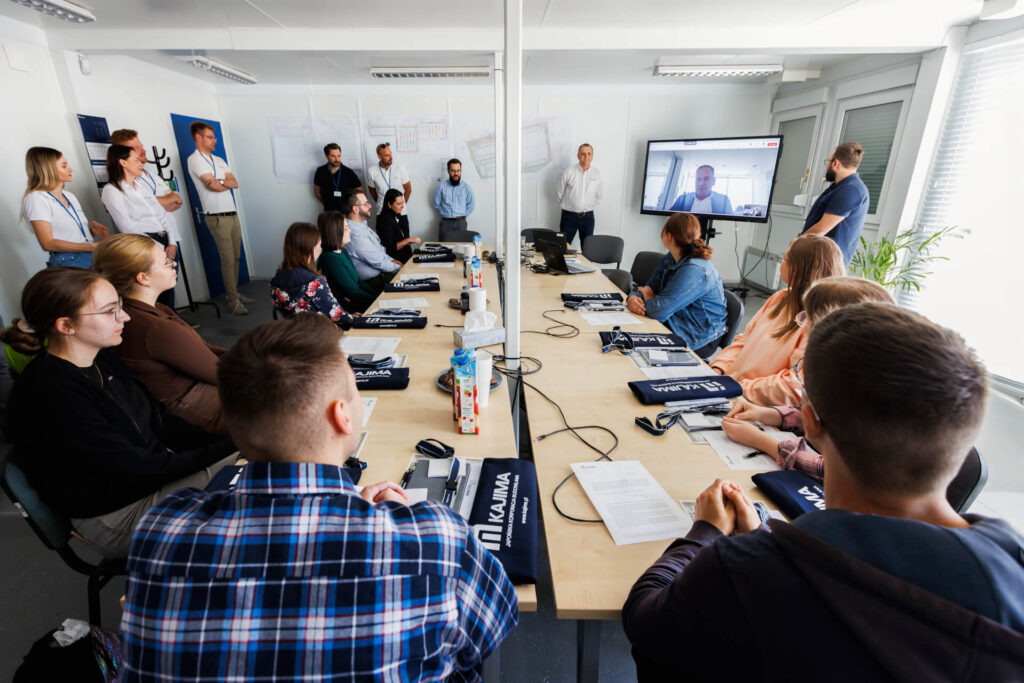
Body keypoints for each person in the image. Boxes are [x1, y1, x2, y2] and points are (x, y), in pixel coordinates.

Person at [622, 304, 1024, 680]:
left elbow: (644, 620)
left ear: (809, 423)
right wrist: (763, 539)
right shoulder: (1012, 562)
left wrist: (705, 533)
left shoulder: (743, 570)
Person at [120, 314, 520, 680]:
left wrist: (352, 513)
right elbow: (493, 625)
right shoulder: (435, 541)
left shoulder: (161, 529)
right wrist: (402, 521)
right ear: (343, 416)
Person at [2, 268, 237, 558]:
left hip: (143, 484)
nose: (124, 317)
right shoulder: (50, 392)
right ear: (66, 325)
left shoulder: (103, 359)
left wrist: (232, 441)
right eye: (110, 311)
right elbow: (135, 467)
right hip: (116, 516)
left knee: (254, 462)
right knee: (253, 471)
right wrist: (233, 446)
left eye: (121, 307)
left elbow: (162, 422)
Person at [721, 276, 893, 480]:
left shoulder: (865, 390)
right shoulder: (850, 369)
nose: (803, 325)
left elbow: (836, 469)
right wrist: (771, 414)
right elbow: (820, 417)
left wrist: (763, 442)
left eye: (808, 318)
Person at [93, 234, 227, 434]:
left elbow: (205, 352)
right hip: (197, 411)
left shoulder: (145, 310)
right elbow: (222, 374)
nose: (173, 265)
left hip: (189, 400)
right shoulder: (154, 327)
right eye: (166, 262)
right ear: (143, 278)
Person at [710, 234, 845, 406]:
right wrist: (718, 367)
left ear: (798, 269)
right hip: (731, 388)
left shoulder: (819, 321)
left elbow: (796, 384)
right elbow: (745, 339)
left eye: (785, 259)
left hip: (757, 404)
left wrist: (739, 387)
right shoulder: (780, 298)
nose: (782, 263)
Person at [626, 212, 727, 358]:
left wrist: (648, 298)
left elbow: (658, 312)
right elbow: (649, 288)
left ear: (668, 236)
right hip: (675, 319)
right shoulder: (671, 257)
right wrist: (632, 298)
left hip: (697, 336)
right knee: (626, 334)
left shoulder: (695, 269)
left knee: (630, 344)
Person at [101, 144, 183, 308]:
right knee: (154, 294)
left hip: (166, 243)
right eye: (136, 160)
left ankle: (170, 324)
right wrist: (157, 250)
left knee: (169, 288)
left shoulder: (141, 186)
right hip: (147, 248)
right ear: (123, 162)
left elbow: (162, 214)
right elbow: (127, 227)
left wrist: (172, 242)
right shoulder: (112, 191)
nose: (141, 164)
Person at [186, 121, 253, 315]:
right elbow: (211, 186)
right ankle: (232, 300)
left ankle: (234, 293)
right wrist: (222, 183)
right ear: (198, 137)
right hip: (216, 216)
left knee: (236, 257)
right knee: (227, 259)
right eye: (210, 137)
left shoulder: (219, 160)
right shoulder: (195, 159)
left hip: (232, 214)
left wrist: (220, 181)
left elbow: (235, 182)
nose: (214, 140)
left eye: (214, 137)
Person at [21, 146, 110, 268]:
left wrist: (90, 232)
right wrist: (92, 246)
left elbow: (70, 237)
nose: (70, 169)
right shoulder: (36, 198)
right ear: (48, 169)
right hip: (67, 262)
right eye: (63, 166)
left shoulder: (69, 196)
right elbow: (47, 243)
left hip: (88, 257)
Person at [270, 222, 354, 328]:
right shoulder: (314, 282)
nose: (321, 248)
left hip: (293, 337)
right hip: (322, 337)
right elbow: (341, 318)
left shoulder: (277, 279)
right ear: (310, 247)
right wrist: (360, 318)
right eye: (319, 244)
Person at [800, 141, 869, 264]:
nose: (827, 166)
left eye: (828, 162)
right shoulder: (840, 186)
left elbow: (822, 228)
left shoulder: (851, 189)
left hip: (827, 262)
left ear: (836, 164)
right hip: (817, 255)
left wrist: (797, 243)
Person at [109, 128, 185, 215]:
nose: (143, 151)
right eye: (136, 148)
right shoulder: (123, 183)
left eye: (142, 146)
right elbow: (141, 206)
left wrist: (157, 202)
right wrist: (166, 201)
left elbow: (177, 200)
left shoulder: (152, 175)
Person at [317, 210, 379, 314]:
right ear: (335, 232)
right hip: (350, 309)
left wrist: (379, 296)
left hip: (359, 301)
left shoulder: (343, 251)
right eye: (346, 228)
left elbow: (359, 281)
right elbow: (353, 291)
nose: (350, 230)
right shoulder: (330, 259)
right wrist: (377, 300)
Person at [343, 191, 401, 290]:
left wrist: (392, 261)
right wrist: (399, 267)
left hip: (382, 274)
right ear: (355, 209)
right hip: (374, 282)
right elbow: (378, 262)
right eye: (365, 204)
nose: (370, 206)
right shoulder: (354, 234)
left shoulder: (362, 225)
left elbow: (381, 251)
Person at [556, 143, 603, 247]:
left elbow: (599, 195)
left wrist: (587, 207)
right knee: (563, 247)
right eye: (583, 153)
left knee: (588, 249)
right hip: (569, 217)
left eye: (589, 153)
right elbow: (559, 193)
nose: (586, 156)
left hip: (588, 217)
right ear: (578, 156)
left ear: (592, 156)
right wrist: (571, 206)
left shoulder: (596, 173)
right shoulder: (568, 172)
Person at [313, 142, 363, 213]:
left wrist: (353, 206)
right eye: (333, 156)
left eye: (339, 156)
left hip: (347, 213)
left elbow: (360, 192)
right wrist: (327, 203)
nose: (337, 159)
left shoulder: (349, 172)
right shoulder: (320, 171)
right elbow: (317, 192)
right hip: (329, 213)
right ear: (326, 156)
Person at [376, 188, 421, 263]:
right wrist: (408, 240)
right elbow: (389, 248)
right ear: (389, 204)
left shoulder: (398, 216)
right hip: (397, 262)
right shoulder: (384, 220)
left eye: (403, 203)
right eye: (398, 204)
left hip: (406, 258)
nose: (402, 206)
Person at [433, 158, 475, 239]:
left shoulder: (466, 187)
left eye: (458, 170)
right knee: (443, 248)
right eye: (453, 171)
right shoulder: (441, 187)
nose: (456, 173)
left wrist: (462, 215)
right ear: (448, 171)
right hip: (445, 223)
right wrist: (445, 213)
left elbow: (471, 205)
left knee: (461, 249)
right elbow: (436, 204)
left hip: (461, 223)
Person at [367, 141, 411, 215]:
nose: (391, 157)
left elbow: (408, 189)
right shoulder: (371, 171)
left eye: (391, 153)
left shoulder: (400, 168)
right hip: (382, 212)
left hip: (401, 213)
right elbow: (372, 191)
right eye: (387, 155)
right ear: (379, 157)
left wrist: (400, 205)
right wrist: (382, 203)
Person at [669, 164, 733, 215]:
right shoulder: (682, 199)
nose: (701, 183)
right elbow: (669, 219)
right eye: (698, 179)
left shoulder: (724, 201)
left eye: (706, 179)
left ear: (713, 181)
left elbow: (730, 223)